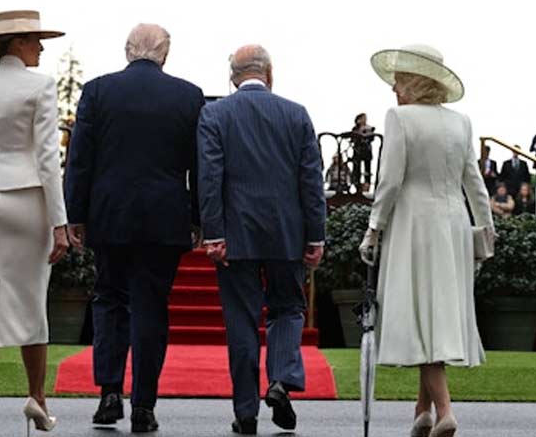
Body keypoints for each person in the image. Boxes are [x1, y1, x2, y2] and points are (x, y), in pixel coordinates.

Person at [64, 24, 205, 433]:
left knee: (109, 299)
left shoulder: (97, 91)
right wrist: (198, 217)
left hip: (110, 214)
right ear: (165, 53)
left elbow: (80, 161)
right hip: (164, 216)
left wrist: (76, 214)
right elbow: (199, 166)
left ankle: (109, 391)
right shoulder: (188, 96)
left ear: (128, 51)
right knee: (151, 308)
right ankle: (144, 404)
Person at [357, 44, 494, 437]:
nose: (393, 88)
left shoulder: (400, 119)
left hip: (414, 226)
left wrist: (374, 228)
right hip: (453, 226)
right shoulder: (461, 122)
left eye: (398, 80)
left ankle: (446, 411)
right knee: (435, 314)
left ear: (414, 83)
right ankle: (423, 411)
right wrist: (485, 230)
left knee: (421, 318)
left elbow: (390, 181)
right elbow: (475, 183)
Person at [198, 45, 326, 435]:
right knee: (288, 309)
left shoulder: (214, 114)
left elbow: (209, 178)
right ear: (269, 73)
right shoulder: (296, 114)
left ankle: (246, 412)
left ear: (233, 77)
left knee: (241, 321)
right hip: (287, 233)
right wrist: (316, 234)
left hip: (236, 235)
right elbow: (311, 180)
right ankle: (282, 378)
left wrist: (213, 233)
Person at [0, 10, 71, 437]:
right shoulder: (40, 85)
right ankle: (36, 399)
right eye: (35, 40)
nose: (40, 47)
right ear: (17, 43)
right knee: (30, 301)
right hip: (27, 198)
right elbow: (47, 158)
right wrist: (59, 222)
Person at [349, 113, 376, 193]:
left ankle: (367, 184)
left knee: (367, 168)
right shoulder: (355, 129)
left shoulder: (369, 128)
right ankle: (357, 184)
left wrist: (367, 134)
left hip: (366, 151)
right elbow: (352, 138)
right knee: (357, 168)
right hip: (357, 151)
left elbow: (372, 138)